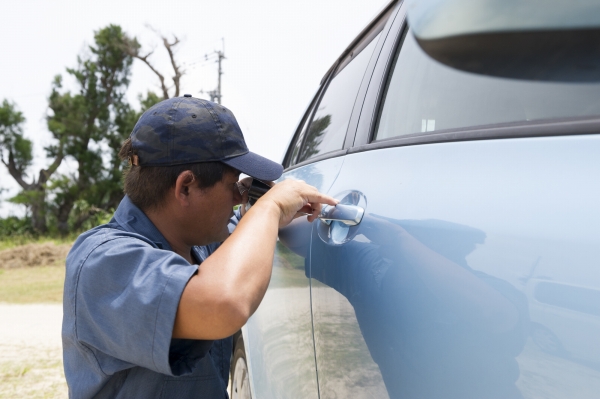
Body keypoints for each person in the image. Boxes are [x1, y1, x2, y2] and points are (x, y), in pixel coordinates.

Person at [61, 95, 337, 399]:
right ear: (186, 187)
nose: (237, 197)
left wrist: (255, 206)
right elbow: (223, 304)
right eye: (233, 185)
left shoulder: (197, 245)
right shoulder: (102, 262)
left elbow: (237, 240)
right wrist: (269, 208)